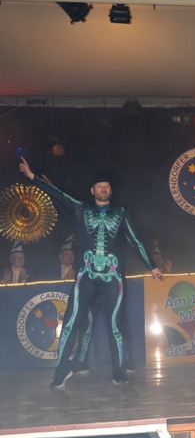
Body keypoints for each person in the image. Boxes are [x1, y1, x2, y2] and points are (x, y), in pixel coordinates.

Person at [19, 156, 163, 388]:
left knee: (115, 324)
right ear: (92, 190)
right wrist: (32, 177)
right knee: (71, 321)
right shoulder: (82, 208)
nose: (104, 189)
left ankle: (118, 371)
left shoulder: (121, 212)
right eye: (99, 186)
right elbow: (58, 194)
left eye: (107, 186)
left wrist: (151, 265)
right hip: (86, 275)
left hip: (113, 277)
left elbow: (135, 240)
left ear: (110, 190)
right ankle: (61, 370)